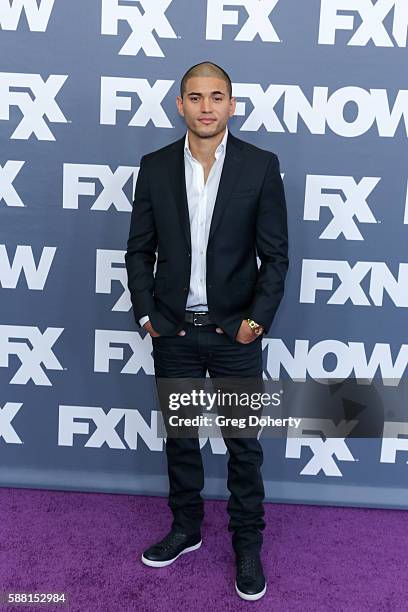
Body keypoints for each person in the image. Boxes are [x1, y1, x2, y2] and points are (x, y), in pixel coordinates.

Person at [125, 61, 288, 601]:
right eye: (195, 97)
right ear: (180, 104)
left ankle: (247, 543)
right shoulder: (153, 167)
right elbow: (138, 250)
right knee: (181, 438)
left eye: (216, 96)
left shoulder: (260, 167)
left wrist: (254, 323)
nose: (206, 106)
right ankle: (187, 528)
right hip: (172, 332)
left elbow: (276, 257)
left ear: (231, 104)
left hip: (233, 335)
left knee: (243, 444)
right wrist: (148, 315)